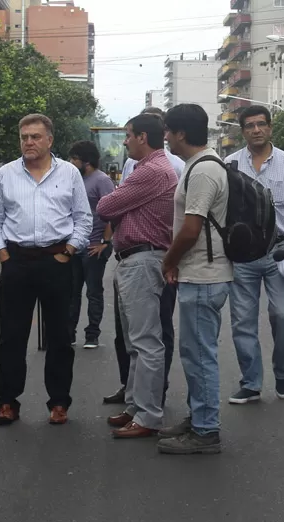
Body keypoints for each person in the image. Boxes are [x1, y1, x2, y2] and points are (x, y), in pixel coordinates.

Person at [0, 114, 92, 427]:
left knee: (60, 336)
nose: (28, 142)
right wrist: (3, 253)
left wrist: (70, 250)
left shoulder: (69, 174)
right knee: (11, 337)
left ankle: (59, 402)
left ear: (49, 140)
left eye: (35, 137)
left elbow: (83, 218)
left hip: (56, 260)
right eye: (24, 137)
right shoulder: (5, 174)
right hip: (16, 262)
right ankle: (7, 401)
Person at [224, 105, 284, 404]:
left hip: (280, 252)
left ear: (270, 127)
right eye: (249, 126)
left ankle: (281, 371)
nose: (256, 130)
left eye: (261, 124)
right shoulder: (230, 165)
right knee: (242, 322)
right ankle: (250, 383)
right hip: (242, 257)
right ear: (243, 131)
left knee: (281, 315)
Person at [156, 103, 232, 455]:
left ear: (182, 134)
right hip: (200, 275)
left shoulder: (203, 171)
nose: (166, 138)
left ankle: (206, 431)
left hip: (203, 276)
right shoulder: (198, 166)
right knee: (195, 352)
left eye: (169, 131)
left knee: (200, 355)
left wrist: (169, 261)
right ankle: (199, 416)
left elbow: (190, 229)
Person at [97, 113, 177, 439]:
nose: (125, 140)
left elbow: (105, 206)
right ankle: (134, 406)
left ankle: (148, 416)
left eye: (129, 135)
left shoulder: (153, 171)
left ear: (143, 137)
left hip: (143, 261)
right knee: (134, 342)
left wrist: (120, 203)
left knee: (146, 343)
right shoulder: (147, 169)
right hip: (136, 259)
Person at [66, 140, 115, 349]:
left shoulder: (102, 181)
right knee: (71, 292)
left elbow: (112, 213)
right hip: (74, 246)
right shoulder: (73, 179)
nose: (71, 162)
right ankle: (69, 333)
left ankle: (92, 334)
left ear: (86, 160)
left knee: (93, 292)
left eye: (74, 158)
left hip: (94, 246)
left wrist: (105, 242)